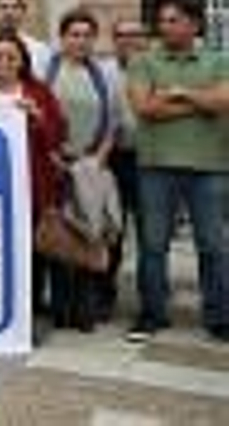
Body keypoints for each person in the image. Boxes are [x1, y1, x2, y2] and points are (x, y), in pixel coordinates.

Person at [124, 0, 229, 343]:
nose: (164, 27)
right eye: (163, 20)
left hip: (209, 166)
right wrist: (202, 103)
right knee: (153, 245)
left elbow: (224, 101)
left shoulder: (219, 60)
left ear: (194, 25)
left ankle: (219, 316)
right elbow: (144, 108)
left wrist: (178, 92)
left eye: (173, 20)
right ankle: (152, 314)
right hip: (157, 166)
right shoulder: (143, 61)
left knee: (213, 246)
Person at [0, 33, 67, 341]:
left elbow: (57, 135)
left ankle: (28, 315)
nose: (5, 62)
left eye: (12, 57)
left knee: (30, 252)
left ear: (23, 61)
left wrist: (37, 117)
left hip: (31, 184)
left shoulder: (38, 92)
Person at [46, 9, 123, 332]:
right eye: (74, 35)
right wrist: (54, 156)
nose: (80, 41)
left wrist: (98, 157)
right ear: (63, 38)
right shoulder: (46, 70)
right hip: (54, 164)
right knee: (59, 235)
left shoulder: (103, 76)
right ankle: (60, 307)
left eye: (87, 35)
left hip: (91, 166)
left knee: (90, 233)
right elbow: (40, 119)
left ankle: (86, 308)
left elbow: (113, 123)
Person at [97, 17, 149, 320]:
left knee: (150, 233)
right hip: (112, 157)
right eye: (121, 35)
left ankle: (150, 296)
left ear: (145, 38)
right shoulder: (101, 71)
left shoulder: (156, 68)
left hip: (149, 158)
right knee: (110, 229)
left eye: (135, 34)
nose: (128, 40)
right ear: (113, 40)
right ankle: (104, 293)